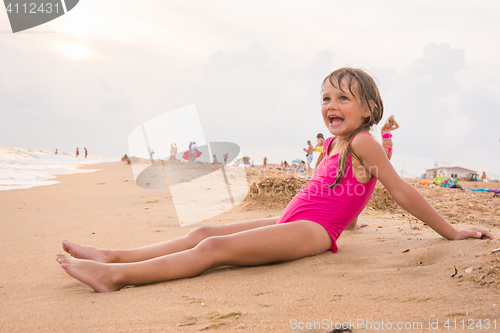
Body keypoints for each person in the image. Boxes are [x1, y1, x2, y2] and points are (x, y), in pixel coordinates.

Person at [56, 67, 493, 293]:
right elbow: (345, 191)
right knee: (204, 230)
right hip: (292, 220)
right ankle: (114, 256)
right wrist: (355, 218)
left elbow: (399, 190)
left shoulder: (364, 142)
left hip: (314, 232)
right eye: (326, 97)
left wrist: (451, 231)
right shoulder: (330, 145)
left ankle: (118, 278)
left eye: (344, 97)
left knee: (213, 249)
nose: (331, 104)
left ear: (369, 109)